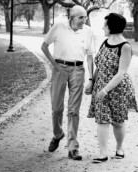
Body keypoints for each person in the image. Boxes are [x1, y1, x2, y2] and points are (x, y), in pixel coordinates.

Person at [41, 5, 95, 161]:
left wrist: (91, 78)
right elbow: (44, 46)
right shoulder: (59, 27)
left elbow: (90, 56)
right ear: (71, 17)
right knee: (56, 108)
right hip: (60, 68)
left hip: (78, 70)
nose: (84, 21)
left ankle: (73, 147)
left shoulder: (88, 31)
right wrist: (54, 65)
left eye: (85, 17)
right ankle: (58, 134)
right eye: (80, 17)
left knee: (73, 111)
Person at [86, 13, 138, 163]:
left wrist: (105, 90)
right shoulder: (105, 42)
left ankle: (119, 148)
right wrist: (92, 82)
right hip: (101, 85)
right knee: (102, 120)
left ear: (112, 26)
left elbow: (122, 72)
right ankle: (103, 153)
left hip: (118, 89)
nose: (103, 27)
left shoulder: (125, 46)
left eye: (105, 25)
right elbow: (100, 66)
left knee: (118, 121)